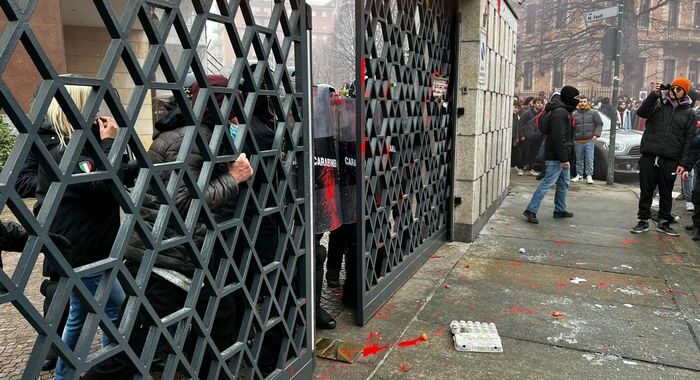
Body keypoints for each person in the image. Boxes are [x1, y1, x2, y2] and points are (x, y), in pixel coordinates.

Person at [31, 85, 128, 380]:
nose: (98, 112)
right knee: (110, 311)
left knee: (87, 312)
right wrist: (111, 144)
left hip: (87, 244)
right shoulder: (66, 148)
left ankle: (70, 373)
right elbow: (102, 188)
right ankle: (106, 370)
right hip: (83, 248)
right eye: (93, 105)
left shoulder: (75, 143)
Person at [630, 78, 697, 236]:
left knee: (666, 192)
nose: (675, 91)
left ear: (685, 92)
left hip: (670, 158)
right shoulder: (659, 104)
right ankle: (643, 220)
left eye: (679, 89)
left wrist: (684, 164)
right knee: (646, 190)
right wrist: (654, 95)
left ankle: (664, 222)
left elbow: (689, 140)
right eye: (673, 88)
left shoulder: (689, 113)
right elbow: (641, 113)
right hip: (650, 154)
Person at [522, 86, 580, 224]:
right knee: (547, 183)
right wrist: (564, 159)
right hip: (556, 156)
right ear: (569, 98)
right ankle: (531, 210)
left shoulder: (563, 111)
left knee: (563, 183)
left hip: (560, 155)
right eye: (576, 98)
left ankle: (560, 210)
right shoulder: (560, 112)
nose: (578, 101)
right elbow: (558, 137)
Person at [572, 96, 603, 184]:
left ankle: (589, 175)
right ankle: (579, 175)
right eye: (581, 101)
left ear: (587, 102)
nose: (582, 103)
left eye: (584, 101)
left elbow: (599, 124)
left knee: (589, 158)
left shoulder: (593, 113)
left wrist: (596, 135)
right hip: (578, 140)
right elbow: (572, 127)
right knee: (579, 159)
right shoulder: (574, 114)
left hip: (589, 139)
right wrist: (573, 137)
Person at [522, 97, 545, 175]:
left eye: (541, 103)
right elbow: (521, 124)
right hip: (527, 136)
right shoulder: (527, 113)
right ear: (534, 104)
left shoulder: (543, 113)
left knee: (534, 154)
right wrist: (522, 135)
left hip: (538, 137)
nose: (540, 104)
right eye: (538, 102)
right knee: (525, 152)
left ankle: (531, 168)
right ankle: (521, 168)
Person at [510, 100, 525, 176]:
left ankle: (513, 165)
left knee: (515, 152)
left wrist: (517, 137)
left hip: (513, 137)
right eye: (515, 107)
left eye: (518, 108)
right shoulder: (508, 115)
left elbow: (518, 128)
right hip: (508, 137)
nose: (516, 109)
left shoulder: (516, 116)